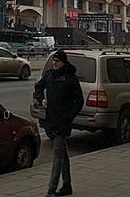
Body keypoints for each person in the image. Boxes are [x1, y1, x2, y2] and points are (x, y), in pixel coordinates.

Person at [34, 49, 84, 197]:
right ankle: (67, 185)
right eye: (53, 61)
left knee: (57, 155)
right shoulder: (49, 75)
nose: (54, 63)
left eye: (57, 61)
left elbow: (79, 101)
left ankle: (51, 189)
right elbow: (38, 87)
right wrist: (41, 99)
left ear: (63, 62)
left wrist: (69, 116)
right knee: (62, 153)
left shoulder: (70, 78)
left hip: (63, 121)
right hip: (51, 119)